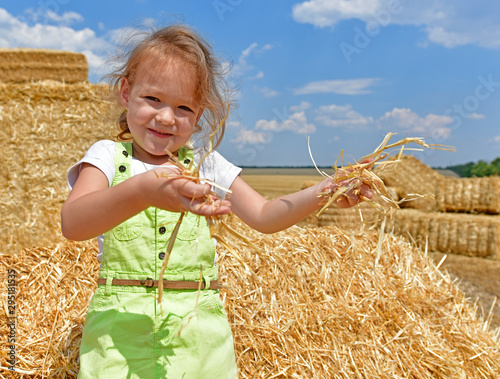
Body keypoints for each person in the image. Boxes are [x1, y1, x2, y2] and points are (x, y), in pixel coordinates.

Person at [61, 23, 372, 379]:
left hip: (199, 333)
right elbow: (73, 224)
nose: (166, 117)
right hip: (118, 330)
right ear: (126, 93)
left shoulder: (206, 165)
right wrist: (144, 190)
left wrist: (326, 192)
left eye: (183, 108)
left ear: (199, 115)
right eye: (153, 99)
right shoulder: (107, 157)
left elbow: (265, 215)